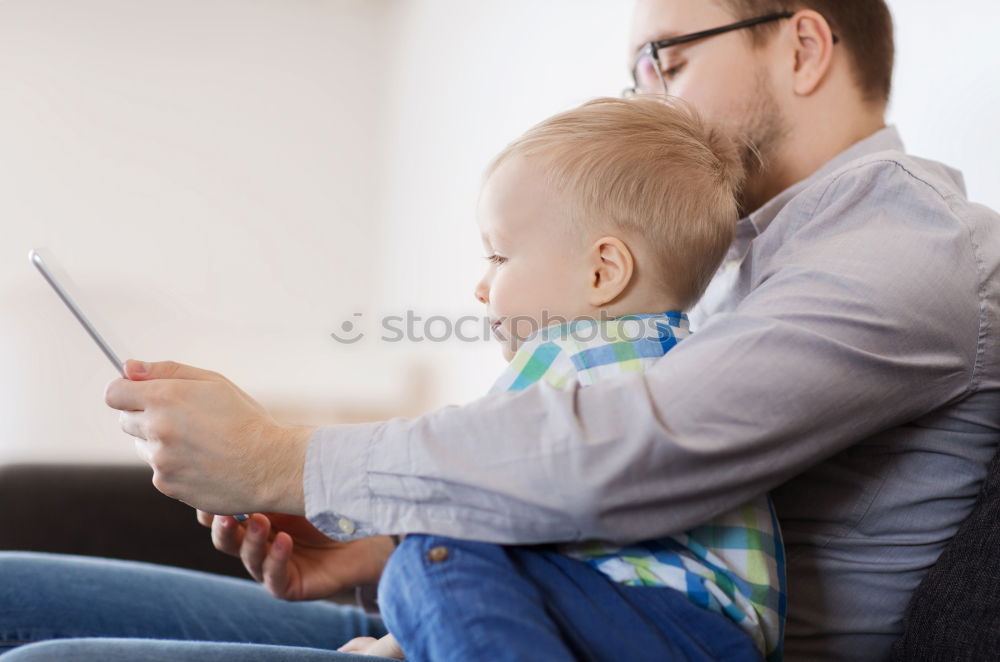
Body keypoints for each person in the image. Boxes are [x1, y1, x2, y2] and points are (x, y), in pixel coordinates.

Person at [3, 1, 999, 660]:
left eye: (665, 58)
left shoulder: (905, 251)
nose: (642, 94)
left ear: (803, 44)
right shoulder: (736, 257)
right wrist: (378, 537)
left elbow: (631, 443)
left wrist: (285, 456)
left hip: (633, 640)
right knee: (14, 590)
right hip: (534, 614)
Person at [337, 97, 784, 662]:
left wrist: (390, 645)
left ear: (603, 271)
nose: (482, 287)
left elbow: (464, 510)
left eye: (498, 257)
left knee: (426, 556)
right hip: (714, 638)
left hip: (658, 620)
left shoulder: (571, 356)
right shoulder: (695, 365)